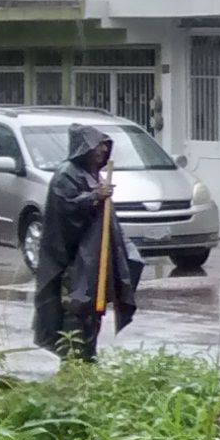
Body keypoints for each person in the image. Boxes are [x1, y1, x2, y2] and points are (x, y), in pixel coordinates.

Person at [31, 123, 142, 362]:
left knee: (93, 312)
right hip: (74, 262)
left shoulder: (93, 175)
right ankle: (73, 362)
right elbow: (65, 209)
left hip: (93, 264)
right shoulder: (66, 174)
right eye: (97, 146)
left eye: (105, 146)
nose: (102, 151)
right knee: (76, 309)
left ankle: (87, 359)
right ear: (84, 149)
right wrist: (94, 197)